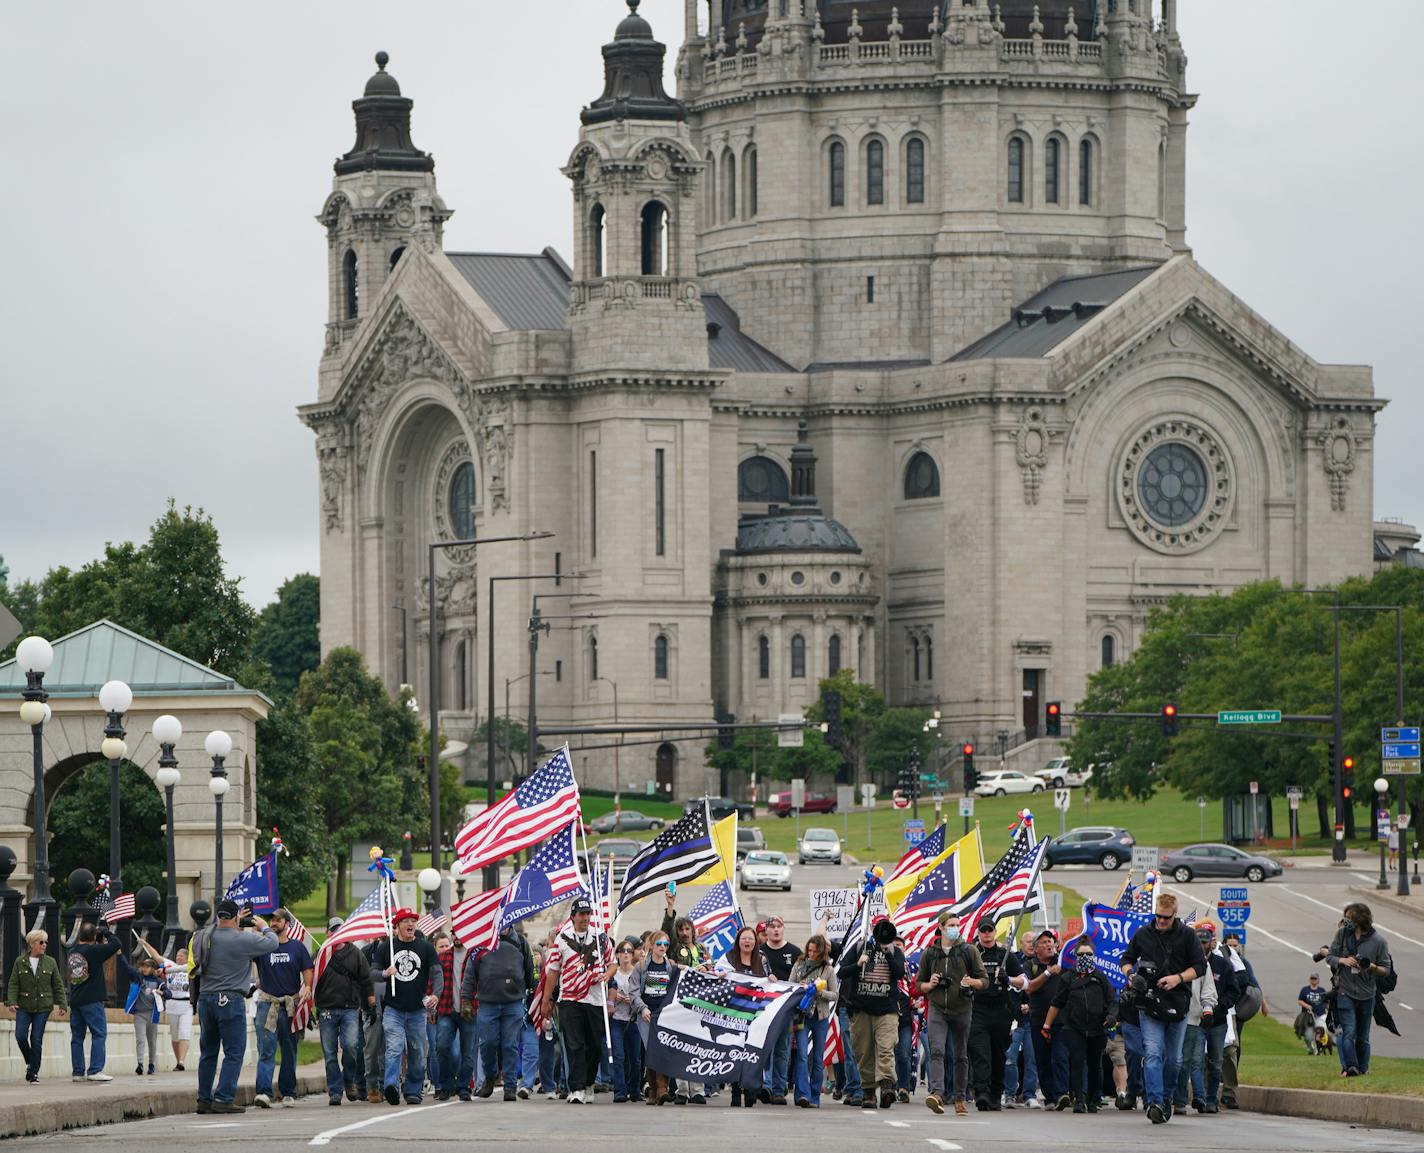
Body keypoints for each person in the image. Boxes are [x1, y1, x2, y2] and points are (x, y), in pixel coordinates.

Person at [1120, 893, 1206, 1125]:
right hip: (1149, 1002)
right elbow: (1126, 959)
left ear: (1174, 915)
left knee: (1174, 1060)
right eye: (1158, 916)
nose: (1161, 921)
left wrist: (1178, 978)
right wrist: (1131, 976)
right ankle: (1155, 1101)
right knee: (1153, 1053)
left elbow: (1200, 966)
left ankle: (1166, 1098)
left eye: (1166, 918)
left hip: (1178, 1002)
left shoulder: (1187, 935)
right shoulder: (1143, 933)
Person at [193, 900, 279, 1114]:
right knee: (233, 1052)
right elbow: (273, 942)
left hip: (205, 999)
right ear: (236, 918)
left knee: (208, 1052)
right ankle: (223, 1098)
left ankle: (203, 1099)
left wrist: (236, 920)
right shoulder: (243, 940)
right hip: (230, 1000)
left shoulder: (204, 937)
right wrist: (263, 926)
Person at [542, 897, 614, 1105]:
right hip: (570, 998)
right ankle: (576, 1087)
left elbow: (613, 963)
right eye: (581, 914)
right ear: (572, 916)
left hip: (594, 999)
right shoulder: (562, 939)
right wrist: (547, 999)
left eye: (587, 914)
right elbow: (553, 971)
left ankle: (589, 1082)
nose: (584, 918)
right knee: (574, 1045)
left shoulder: (600, 938)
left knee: (593, 1045)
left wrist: (607, 976)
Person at [372, 907, 442, 1105]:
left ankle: (413, 1089)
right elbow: (372, 973)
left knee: (417, 1051)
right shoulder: (386, 948)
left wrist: (436, 994)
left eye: (413, 920)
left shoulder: (426, 947)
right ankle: (391, 1086)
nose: (410, 924)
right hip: (393, 1009)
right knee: (394, 1048)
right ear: (397, 926)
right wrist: (385, 974)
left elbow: (437, 974)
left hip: (417, 1010)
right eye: (405, 921)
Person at [1042, 938, 1117, 1114]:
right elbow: (1057, 1002)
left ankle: (1093, 1098)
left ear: (1094, 956)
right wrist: (1047, 1025)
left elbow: (1112, 1000)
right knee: (1076, 1062)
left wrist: (1112, 1016)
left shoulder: (1100, 977)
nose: (1085, 957)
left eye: (1088, 954)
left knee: (1094, 1064)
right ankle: (1079, 1099)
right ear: (1075, 956)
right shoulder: (1068, 978)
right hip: (1074, 1027)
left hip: (1097, 1028)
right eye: (1081, 954)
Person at [840, 916, 907, 1112]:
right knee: (864, 1051)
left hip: (887, 1009)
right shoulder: (860, 947)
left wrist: (887, 953)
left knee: (886, 1047)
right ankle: (869, 1092)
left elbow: (899, 973)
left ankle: (886, 1086)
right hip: (861, 1009)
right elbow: (842, 971)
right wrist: (858, 964)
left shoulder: (895, 951)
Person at [466, 921, 536, 1101]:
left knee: (509, 1045)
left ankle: (510, 1087)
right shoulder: (480, 943)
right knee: (487, 1044)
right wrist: (466, 999)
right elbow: (470, 973)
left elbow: (530, 970)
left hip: (513, 1003)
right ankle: (490, 1078)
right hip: (487, 1003)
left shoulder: (520, 942)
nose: (502, 925)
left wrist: (532, 992)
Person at [253, 907, 314, 1108]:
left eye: (278, 920)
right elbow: (244, 951)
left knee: (289, 1050)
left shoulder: (297, 947)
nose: (273, 923)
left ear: (287, 924)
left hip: (290, 1005)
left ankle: (288, 1092)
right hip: (267, 1004)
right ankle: (263, 1092)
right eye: (272, 920)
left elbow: (307, 970)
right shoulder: (263, 946)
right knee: (266, 1049)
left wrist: (308, 987)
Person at [1324, 901, 1393, 1078]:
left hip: (1367, 993)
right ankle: (1351, 1067)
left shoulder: (1378, 941)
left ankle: (1363, 1068)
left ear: (1360, 920)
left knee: (1363, 1036)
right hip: (1345, 990)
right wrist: (1342, 960)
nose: (1345, 921)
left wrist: (1371, 967)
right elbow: (1330, 956)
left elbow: (1386, 970)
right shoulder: (1342, 934)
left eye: (1348, 918)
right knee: (1349, 1031)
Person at [314, 915, 375, 1105]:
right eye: (333, 930)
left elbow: (366, 980)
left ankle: (349, 1080)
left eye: (340, 929)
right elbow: (311, 981)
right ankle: (335, 1090)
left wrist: (371, 1005)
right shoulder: (321, 954)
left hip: (350, 1009)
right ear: (327, 932)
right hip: (326, 1010)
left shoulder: (356, 953)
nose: (336, 933)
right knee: (330, 1053)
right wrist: (309, 1007)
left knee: (351, 1047)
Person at [967, 921, 1025, 1112]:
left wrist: (1007, 978)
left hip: (1001, 1010)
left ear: (994, 932)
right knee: (980, 1053)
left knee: (999, 1055)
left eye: (989, 930)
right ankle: (981, 1092)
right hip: (978, 1009)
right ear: (978, 933)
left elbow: (1024, 982)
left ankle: (995, 1094)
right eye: (982, 931)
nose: (986, 934)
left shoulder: (1005, 954)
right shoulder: (972, 954)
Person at [5, 928, 67, 1083]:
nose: (44, 945)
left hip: (43, 1007)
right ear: (32, 944)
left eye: (46, 942)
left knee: (36, 1038)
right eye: (41, 942)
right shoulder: (20, 962)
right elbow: (13, 984)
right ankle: (30, 1062)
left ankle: (34, 1073)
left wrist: (62, 1004)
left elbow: (58, 985)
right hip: (24, 1006)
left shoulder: (50, 962)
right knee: (20, 1036)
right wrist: (12, 1002)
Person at [67, 919, 121, 1083]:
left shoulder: (73, 951)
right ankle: (95, 1070)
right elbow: (116, 943)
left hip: (76, 1000)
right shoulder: (95, 951)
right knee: (99, 1033)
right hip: (92, 1000)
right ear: (94, 936)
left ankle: (78, 1072)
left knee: (77, 1037)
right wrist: (105, 931)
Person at [1181, 922, 1225, 1113]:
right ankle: (1179, 1097)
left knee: (1195, 1061)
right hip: (1174, 1017)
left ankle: (1193, 1099)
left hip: (1198, 1019)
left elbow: (1210, 991)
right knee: (1179, 1060)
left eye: (1203, 941)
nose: (1200, 944)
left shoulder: (1210, 964)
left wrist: (1211, 1008)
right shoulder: (1176, 957)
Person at [790, 934, 837, 1109]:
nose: (811, 954)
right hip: (802, 1015)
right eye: (809, 950)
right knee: (802, 1054)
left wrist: (819, 992)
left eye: (815, 951)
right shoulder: (799, 964)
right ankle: (802, 1094)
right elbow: (789, 986)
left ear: (822, 952)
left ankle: (814, 1095)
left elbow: (835, 994)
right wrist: (800, 987)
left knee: (818, 1058)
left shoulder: (828, 970)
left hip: (820, 1016)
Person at [722, 924, 766, 1108]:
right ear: (738, 941)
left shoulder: (762, 960)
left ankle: (750, 1091)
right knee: (734, 1053)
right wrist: (721, 975)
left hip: (754, 1016)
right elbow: (717, 975)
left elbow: (769, 982)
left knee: (750, 1054)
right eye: (743, 938)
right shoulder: (729, 958)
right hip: (734, 1014)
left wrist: (771, 979)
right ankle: (735, 1091)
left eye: (750, 938)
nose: (747, 941)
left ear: (755, 942)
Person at [758, 916, 801, 1105]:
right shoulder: (759, 952)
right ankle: (763, 1085)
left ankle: (778, 1089)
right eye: (772, 927)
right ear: (765, 931)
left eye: (779, 927)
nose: (775, 930)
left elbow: (803, 974)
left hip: (785, 1010)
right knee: (764, 1048)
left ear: (784, 929)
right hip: (763, 1009)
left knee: (782, 1050)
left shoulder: (794, 952)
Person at [632, 931, 679, 1104]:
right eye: (659, 943)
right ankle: (653, 1089)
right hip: (646, 1015)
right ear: (651, 945)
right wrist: (642, 1008)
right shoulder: (642, 966)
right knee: (651, 1050)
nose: (662, 947)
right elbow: (634, 991)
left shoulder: (671, 966)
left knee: (662, 1050)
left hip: (664, 1015)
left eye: (666, 944)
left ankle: (661, 1089)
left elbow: (675, 990)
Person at [1024, 930, 1067, 1110]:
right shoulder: (1030, 966)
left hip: (1062, 1020)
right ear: (1035, 949)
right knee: (1042, 1059)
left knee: (1060, 1057)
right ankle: (1050, 1097)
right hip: (1038, 1020)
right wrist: (1048, 973)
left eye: (1051, 941)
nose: (1048, 944)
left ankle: (1061, 1095)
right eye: (1043, 942)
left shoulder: (1063, 962)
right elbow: (1029, 988)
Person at [1003, 929, 1040, 1108]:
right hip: (1014, 1019)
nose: (1032, 945)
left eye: (1035, 942)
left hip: (1032, 1019)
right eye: (1029, 941)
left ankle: (1029, 1094)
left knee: (1032, 1058)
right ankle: (1009, 1093)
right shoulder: (1014, 961)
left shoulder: (1040, 964)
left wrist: (1030, 1006)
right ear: (1022, 943)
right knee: (1010, 1058)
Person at [608, 940, 643, 1103]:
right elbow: (606, 994)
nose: (626, 953)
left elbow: (643, 994)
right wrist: (614, 999)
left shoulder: (637, 972)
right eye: (623, 951)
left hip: (634, 1020)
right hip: (617, 1019)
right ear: (618, 954)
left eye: (629, 951)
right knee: (619, 1056)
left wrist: (634, 1000)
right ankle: (620, 1091)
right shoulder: (613, 973)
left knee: (635, 1059)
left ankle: (635, 1090)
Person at [126, 954, 162, 1076]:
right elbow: (128, 969)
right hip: (139, 1014)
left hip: (152, 1014)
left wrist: (162, 992)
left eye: (147, 967)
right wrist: (120, 956)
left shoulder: (158, 982)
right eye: (143, 966)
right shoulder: (139, 978)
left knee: (152, 1041)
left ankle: (151, 1064)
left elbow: (168, 993)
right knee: (140, 1039)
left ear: (152, 968)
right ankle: (140, 1064)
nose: (144, 969)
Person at [361, 935, 386, 1103]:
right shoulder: (366, 952)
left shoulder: (396, 950)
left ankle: (386, 1085)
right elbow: (361, 978)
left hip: (392, 1007)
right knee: (371, 1050)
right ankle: (372, 1086)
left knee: (389, 1051)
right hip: (371, 1009)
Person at [161, 948, 192, 1071]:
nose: (178, 958)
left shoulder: (190, 967)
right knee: (174, 1036)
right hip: (172, 1004)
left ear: (186, 957)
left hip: (187, 1004)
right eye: (177, 955)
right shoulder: (171, 966)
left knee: (184, 1033)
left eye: (181, 956)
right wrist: (145, 944)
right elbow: (157, 957)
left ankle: (181, 1061)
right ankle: (177, 1060)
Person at [1296, 973, 1327, 1056]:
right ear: (1309, 980)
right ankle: (1311, 1049)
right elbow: (1299, 1001)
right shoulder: (1305, 990)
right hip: (1309, 1017)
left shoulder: (1322, 990)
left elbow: (1327, 1003)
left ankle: (1319, 1049)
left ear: (1318, 980)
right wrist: (1307, 1006)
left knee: (1320, 1032)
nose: (1313, 980)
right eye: (1312, 979)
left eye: (1315, 979)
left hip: (1321, 1015)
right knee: (1308, 1036)